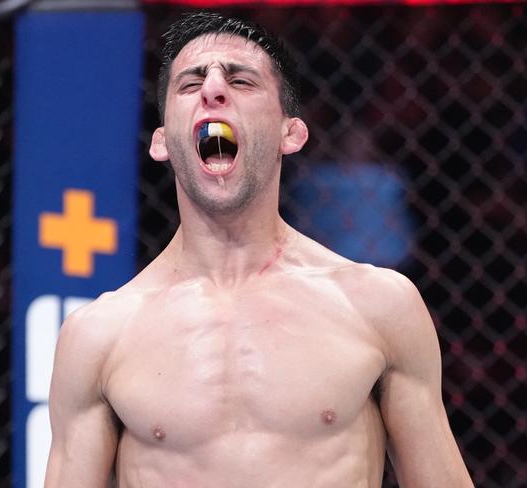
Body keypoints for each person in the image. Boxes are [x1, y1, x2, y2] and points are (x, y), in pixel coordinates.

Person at [45, 11, 473, 487]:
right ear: (162, 142)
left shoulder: (377, 305)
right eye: (190, 85)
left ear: (291, 133)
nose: (212, 90)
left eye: (241, 81)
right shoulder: (99, 335)